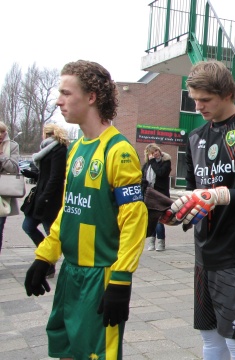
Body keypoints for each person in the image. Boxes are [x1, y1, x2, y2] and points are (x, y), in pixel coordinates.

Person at [23, 60, 148, 360]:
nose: (58, 100)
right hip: (71, 274)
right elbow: (69, 210)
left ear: (91, 97)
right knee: (66, 351)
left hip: (101, 277)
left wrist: (121, 278)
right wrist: (45, 256)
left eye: (66, 93)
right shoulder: (77, 149)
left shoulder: (118, 150)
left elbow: (134, 220)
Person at [160, 60, 235, 360]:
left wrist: (221, 195)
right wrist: (181, 209)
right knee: (210, 341)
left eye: (206, 100)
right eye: (195, 99)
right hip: (204, 255)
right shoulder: (195, 137)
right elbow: (194, 191)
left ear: (227, 93)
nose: (199, 106)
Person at [20, 123, 69, 278]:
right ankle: (46, 258)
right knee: (28, 226)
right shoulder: (46, 149)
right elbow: (46, 174)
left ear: (47, 134)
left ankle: (48, 262)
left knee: (50, 232)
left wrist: (45, 197)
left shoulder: (58, 150)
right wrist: (33, 175)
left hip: (49, 198)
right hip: (40, 195)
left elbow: (56, 177)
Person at [141, 143, 171, 251]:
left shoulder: (166, 162)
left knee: (159, 219)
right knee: (150, 218)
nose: (155, 154)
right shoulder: (147, 165)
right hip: (149, 194)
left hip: (160, 194)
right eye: (152, 153)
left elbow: (161, 173)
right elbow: (142, 177)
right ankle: (151, 242)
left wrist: (152, 161)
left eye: (156, 151)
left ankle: (161, 242)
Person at [0, 121, 20, 254]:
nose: (0, 135)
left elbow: (14, 168)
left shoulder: (12, 146)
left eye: (2, 132)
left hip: (3, 194)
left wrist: (2, 157)